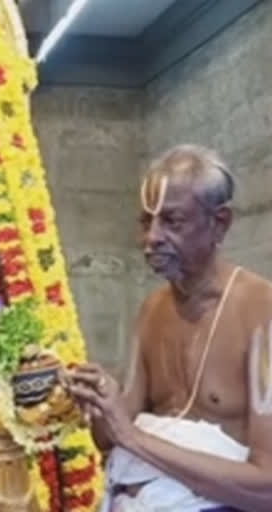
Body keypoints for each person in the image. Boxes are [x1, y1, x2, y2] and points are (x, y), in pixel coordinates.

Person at [69, 145, 272, 511]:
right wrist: (99, 400)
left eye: (172, 221)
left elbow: (266, 489)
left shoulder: (262, 313)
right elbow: (108, 439)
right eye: (146, 222)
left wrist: (131, 437)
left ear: (220, 223)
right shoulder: (152, 310)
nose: (152, 238)